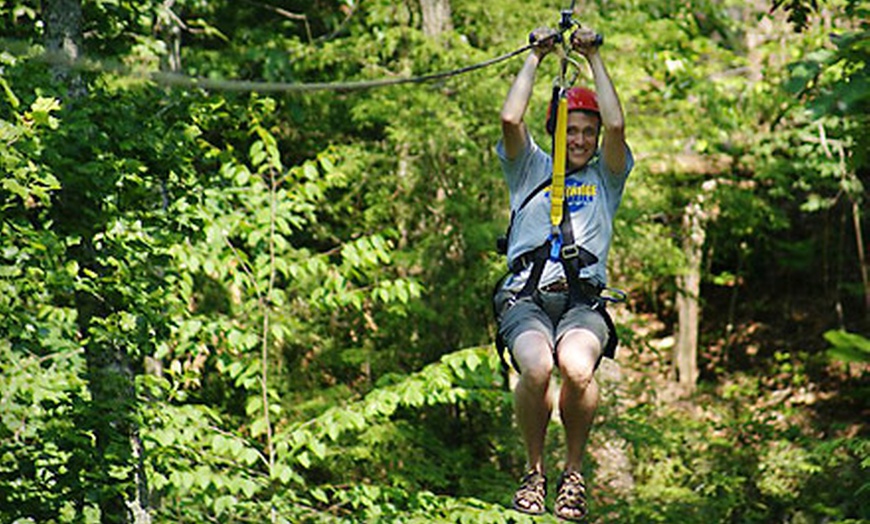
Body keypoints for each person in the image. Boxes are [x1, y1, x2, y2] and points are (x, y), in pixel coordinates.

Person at [493, 25, 633, 521]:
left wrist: (594, 58)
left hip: (581, 303)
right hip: (526, 299)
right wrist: (534, 57)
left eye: (585, 132)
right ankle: (535, 472)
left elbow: (617, 129)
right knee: (535, 366)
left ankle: (572, 472)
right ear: (554, 132)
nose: (579, 139)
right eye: (569, 130)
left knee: (575, 365)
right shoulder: (527, 169)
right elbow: (511, 117)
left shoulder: (605, 176)